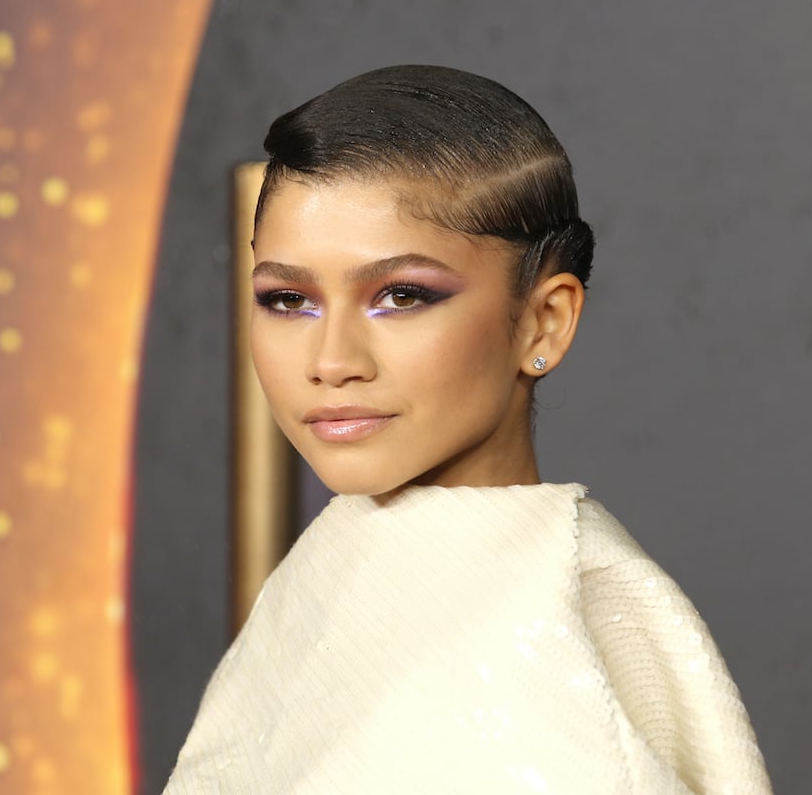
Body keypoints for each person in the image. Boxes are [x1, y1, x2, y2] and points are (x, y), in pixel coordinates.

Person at [164, 65, 772, 795]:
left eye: (402, 296)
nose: (331, 362)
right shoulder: (326, 579)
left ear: (543, 321)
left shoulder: (560, 626)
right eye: (288, 299)